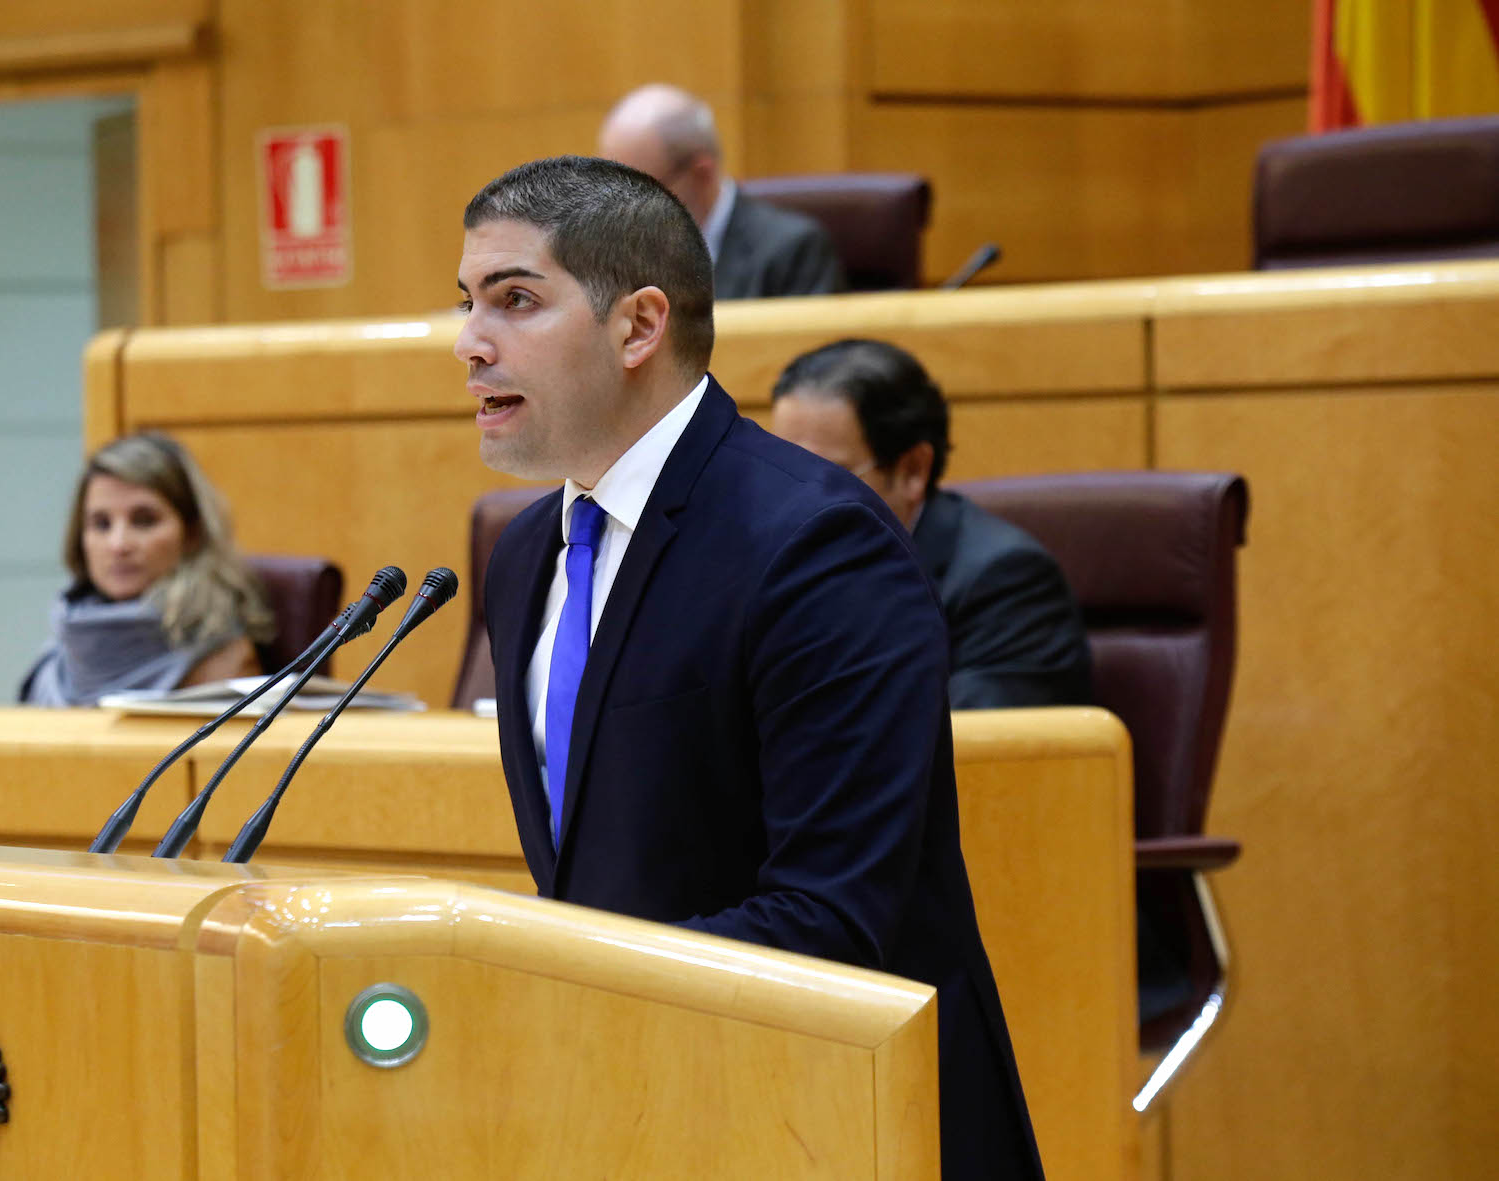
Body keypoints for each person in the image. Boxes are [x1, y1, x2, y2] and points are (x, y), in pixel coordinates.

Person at [455, 155, 1043, 1180]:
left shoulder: (813, 542)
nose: (468, 342)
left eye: (514, 299)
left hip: (839, 1120)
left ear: (638, 326)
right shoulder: (523, 556)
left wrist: (559, 988)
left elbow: (832, 910)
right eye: (466, 301)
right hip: (647, 1109)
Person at [770, 339, 1093, 709]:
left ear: (912, 471)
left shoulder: (1004, 585)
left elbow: (981, 752)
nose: (790, 502)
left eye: (825, 477)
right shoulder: (771, 570)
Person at [20, 432, 273, 706]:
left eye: (144, 521)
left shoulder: (221, 657)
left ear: (192, 533)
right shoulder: (64, 646)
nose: (118, 545)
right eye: (101, 524)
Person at [597, 83, 845, 300]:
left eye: (640, 190)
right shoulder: (614, 256)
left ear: (701, 174)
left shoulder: (793, 250)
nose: (623, 209)